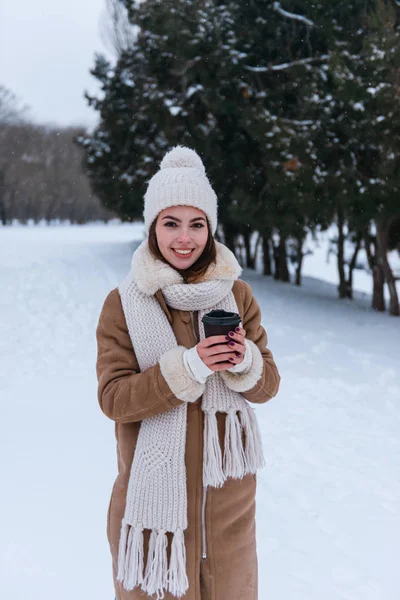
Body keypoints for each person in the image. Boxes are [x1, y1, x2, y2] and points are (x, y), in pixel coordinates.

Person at [96, 146, 281, 600]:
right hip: (150, 517)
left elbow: (268, 385)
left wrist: (242, 361)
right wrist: (190, 366)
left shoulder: (237, 295)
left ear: (211, 228)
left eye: (197, 224)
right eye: (171, 223)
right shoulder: (124, 304)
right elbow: (115, 399)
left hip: (229, 514)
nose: (185, 238)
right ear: (152, 227)